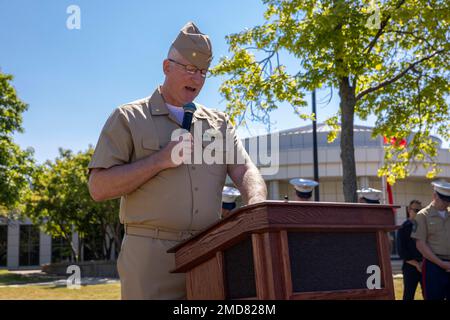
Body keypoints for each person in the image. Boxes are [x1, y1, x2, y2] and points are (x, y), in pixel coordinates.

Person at [87, 22, 267, 300]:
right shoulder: (128, 117)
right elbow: (98, 187)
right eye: (189, 69)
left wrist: (256, 203)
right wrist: (159, 160)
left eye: (203, 72)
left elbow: (243, 168)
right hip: (149, 256)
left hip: (208, 251)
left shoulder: (218, 123)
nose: (197, 78)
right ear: (166, 66)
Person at [411, 180, 450, 300]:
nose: (446, 203)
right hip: (433, 266)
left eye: (448, 200)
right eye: (443, 200)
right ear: (434, 196)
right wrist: (442, 264)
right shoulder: (422, 216)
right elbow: (420, 245)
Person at [397, 200, 423, 300]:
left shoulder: (425, 227)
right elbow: (401, 251)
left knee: (429, 294)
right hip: (410, 267)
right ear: (409, 210)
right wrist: (417, 264)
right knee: (408, 295)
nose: (419, 213)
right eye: (416, 210)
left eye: (421, 210)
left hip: (424, 265)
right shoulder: (403, 228)